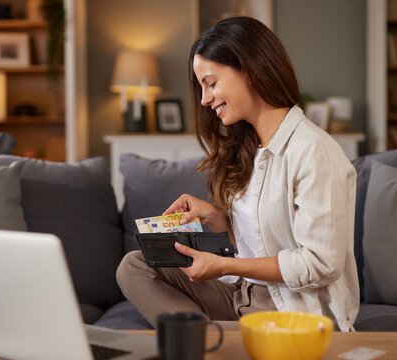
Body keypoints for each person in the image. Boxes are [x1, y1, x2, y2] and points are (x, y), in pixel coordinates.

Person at [117, 16, 359, 331]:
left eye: (211, 83)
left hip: (292, 315)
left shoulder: (313, 151)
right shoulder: (248, 147)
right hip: (243, 298)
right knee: (134, 265)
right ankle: (205, 339)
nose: (204, 100)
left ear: (251, 71)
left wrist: (224, 264)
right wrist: (222, 222)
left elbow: (321, 263)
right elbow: (257, 247)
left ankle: (202, 341)